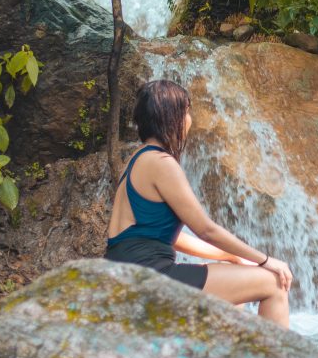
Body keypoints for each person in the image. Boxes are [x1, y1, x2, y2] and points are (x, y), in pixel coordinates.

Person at [105, 79, 294, 327]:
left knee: (233, 295)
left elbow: (170, 239)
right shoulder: (162, 164)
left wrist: (230, 256)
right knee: (274, 283)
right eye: (186, 112)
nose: (189, 120)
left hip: (126, 275)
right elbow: (206, 229)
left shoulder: (136, 160)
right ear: (171, 118)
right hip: (150, 277)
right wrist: (266, 260)